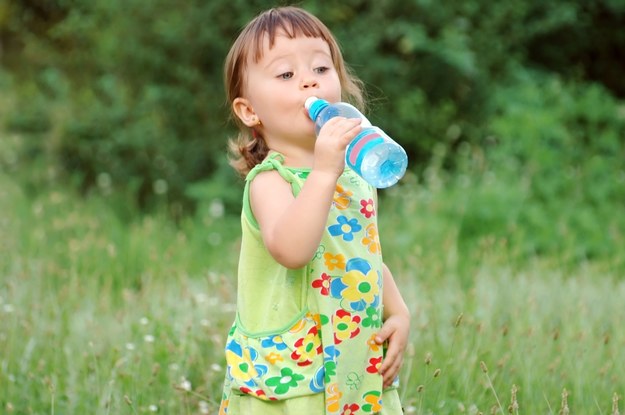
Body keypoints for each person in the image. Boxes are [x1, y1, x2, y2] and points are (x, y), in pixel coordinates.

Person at [218, 6, 410, 415]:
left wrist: (398, 310)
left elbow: (362, 253)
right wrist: (324, 172)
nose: (309, 80)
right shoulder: (270, 182)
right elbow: (292, 249)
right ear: (250, 111)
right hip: (295, 376)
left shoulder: (354, 177)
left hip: (354, 361)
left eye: (321, 68)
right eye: (286, 75)